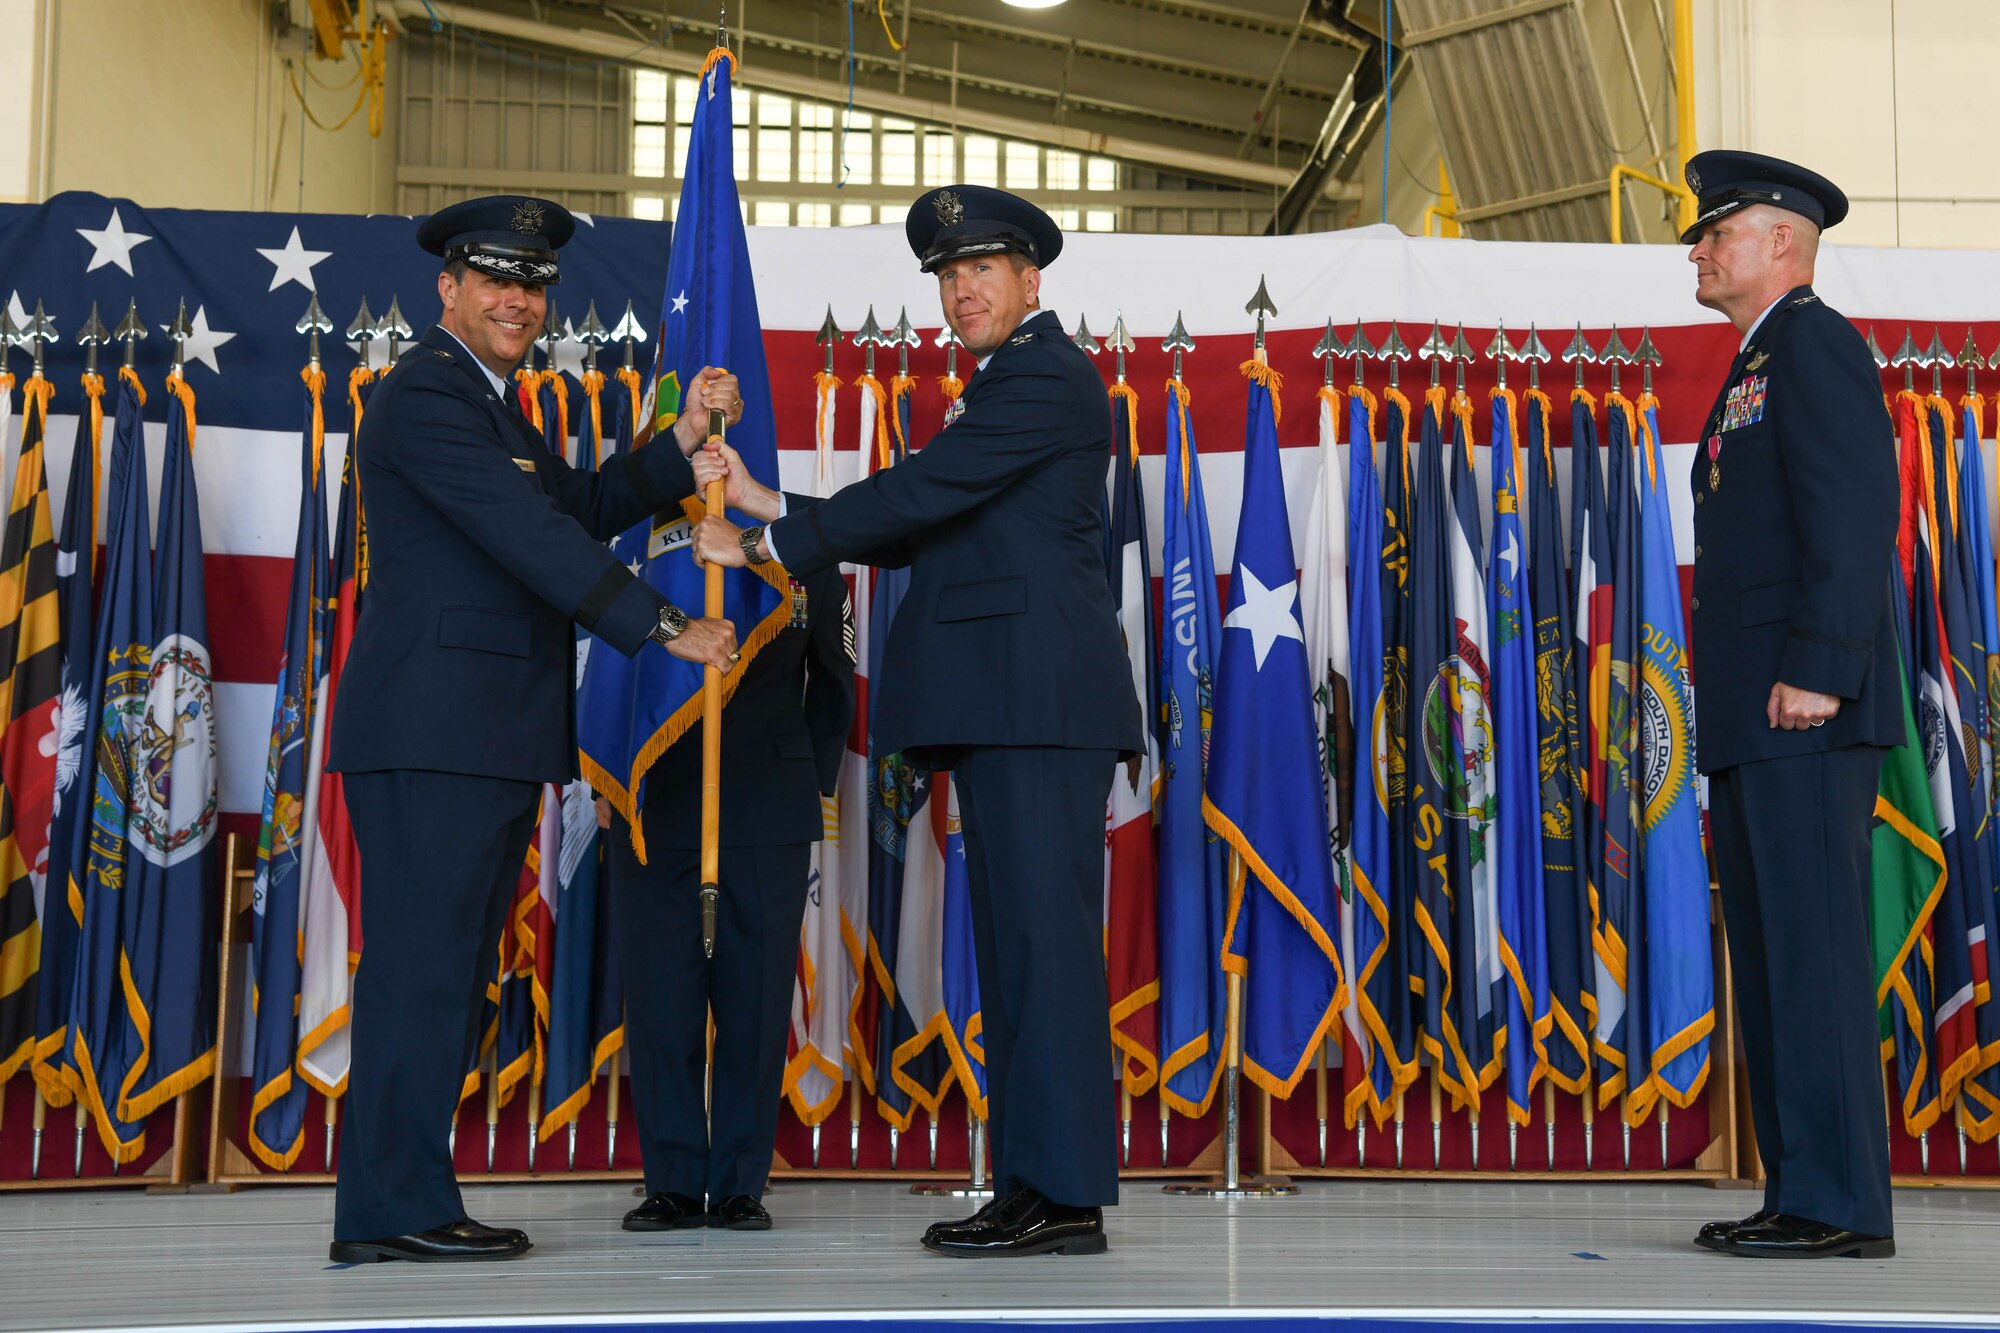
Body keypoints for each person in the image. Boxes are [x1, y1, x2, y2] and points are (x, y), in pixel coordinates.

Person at [691, 184, 1141, 1257]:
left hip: (1036, 706)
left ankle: (1063, 1193)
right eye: (946, 274)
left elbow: (923, 496)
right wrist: (765, 505)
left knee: (1043, 955)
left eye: (980, 268)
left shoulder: (1041, 378)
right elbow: (922, 520)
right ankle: (1038, 1184)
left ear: (1032, 280)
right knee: (1022, 953)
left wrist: (758, 544)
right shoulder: (998, 387)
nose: (959, 288)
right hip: (1008, 705)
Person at [326, 194, 741, 1264]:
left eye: (533, 284)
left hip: (480, 733)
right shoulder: (425, 394)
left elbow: (580, 499)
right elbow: (527, 536)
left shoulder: (495, 405)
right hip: (434, 731)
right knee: (423, 971)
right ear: (447, 289)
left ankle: (408, 1199)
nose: (517, 299)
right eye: (495, 279)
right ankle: (389, 1211)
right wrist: (663, 625)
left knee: (449, 971)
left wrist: (681, 441)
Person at [1681, 151, 1903, 1260]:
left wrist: (1819, 663)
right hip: (1755, 715)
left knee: (1811, 956)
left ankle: (1838, 1204)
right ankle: (1798, 1187)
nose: (1697, 249)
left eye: (1717, 231)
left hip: (1804, 708)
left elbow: (1855, 513)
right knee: (1774, 959)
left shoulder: (1811, 343)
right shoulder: (1756, 360)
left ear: (1779, 239)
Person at [606, 547, 854, 1234]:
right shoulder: (644, 540)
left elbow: (834, 678)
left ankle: (743, 1180)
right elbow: (601, 663)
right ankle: (675, 1182)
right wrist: (605, 771)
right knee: (661, 999)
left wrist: (810, 779)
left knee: (756, 997)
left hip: (768, 796)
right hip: (656, 787)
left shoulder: (804, 551)